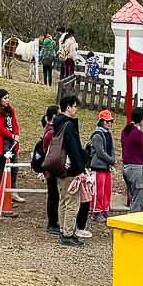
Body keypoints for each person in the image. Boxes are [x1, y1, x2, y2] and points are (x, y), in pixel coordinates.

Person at [54, 94, 89, 247]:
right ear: (68, 107)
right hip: (70, 170)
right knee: (72, 202)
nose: (76, 109)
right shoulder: (68, 125)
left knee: (63, 200)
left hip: (59, 167)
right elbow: (73, 149)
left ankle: (63, 230)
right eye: (74, 106)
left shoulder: (57, 124)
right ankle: (68, 233)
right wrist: (80, 169)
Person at [0, 88, 23, 209]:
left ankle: (13, 192)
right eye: (5, 98)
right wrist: (11, 135)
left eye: (8, 98)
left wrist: (16, 135)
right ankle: (3, 194)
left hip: (12, 142)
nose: (7, 100)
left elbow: (14, 123)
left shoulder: (10, 110)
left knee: (14, 167)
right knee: (4, 169)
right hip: (2, 144)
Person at [87, 110, 117, 225]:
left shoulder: (108, 133)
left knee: (106, 190)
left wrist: (111, 160)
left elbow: (111, 149)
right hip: (98, 166)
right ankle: (96, 212)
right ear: (102, 121)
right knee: (98, 191)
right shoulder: (97, 135)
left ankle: (104, 209)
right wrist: (111, 160)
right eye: (107, 121)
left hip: (106, 166)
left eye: (111, 121)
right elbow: (100, 152)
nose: (109, 123)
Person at [36, 105, 60, 235]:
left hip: (50, 168)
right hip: (51, 169)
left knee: (54, 196)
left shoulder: (49, 129)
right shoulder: (51, 132)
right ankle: (52, 223)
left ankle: (53, 222)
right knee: (53, 196)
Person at [121, 106, 143, 213]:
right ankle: (136, 218)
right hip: (136, 167)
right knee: (139, 198)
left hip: (126, 167)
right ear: (141, 119)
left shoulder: (125, 131)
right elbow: (142, 152)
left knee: (133, 195)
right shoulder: (138, 134)